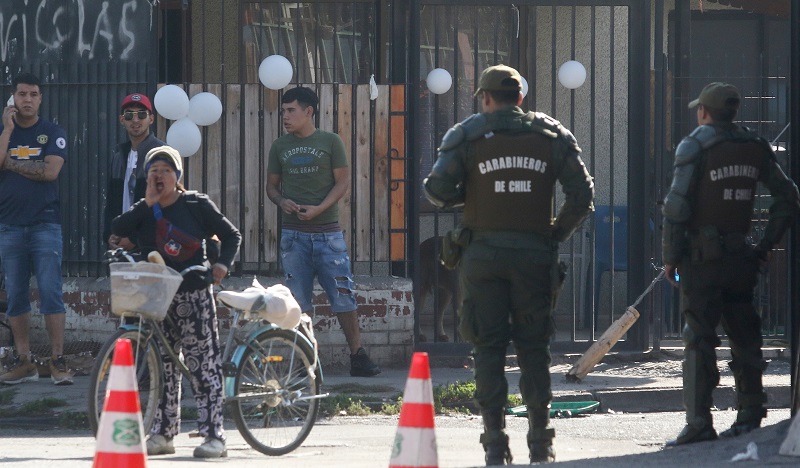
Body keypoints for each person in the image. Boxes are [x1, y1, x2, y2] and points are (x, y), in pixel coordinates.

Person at [423, 64, 594, 465]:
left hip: (483, 258)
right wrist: (555, 234)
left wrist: (475, 194)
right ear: (520, 97)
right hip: (535, 256)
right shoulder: (551, 135)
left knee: (488, 348)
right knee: (534, 348)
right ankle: (541, 443)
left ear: (485, 98)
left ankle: (496, 445)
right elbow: (582, 195)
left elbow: (436, 190)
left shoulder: (468, 134)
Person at [662, 82, 800, 446]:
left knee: (699, 339)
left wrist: (670, 257)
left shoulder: (696, 145)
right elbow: (788, 197)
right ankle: (750, 415)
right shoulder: (755, 146)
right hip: (741, 258)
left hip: (702, 262)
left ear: (704, 112)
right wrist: (766, 244)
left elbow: (676, 207)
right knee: (745, 336)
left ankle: (698, 423)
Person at [111, 145, 242, 458]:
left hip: (193, 293)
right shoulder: (144, 209)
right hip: (157, 299)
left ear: (177, 176)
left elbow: (231, 235)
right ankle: (163, 433)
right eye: (154, 171)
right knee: (163, 367)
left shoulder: (195, 204)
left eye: (166, 170)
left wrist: (221, 265)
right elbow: (117, 229)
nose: (159, 176)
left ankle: (214, 436)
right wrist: (147, 203)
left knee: (202, 364)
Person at [266, 86, 381, 378]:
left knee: (343, 296)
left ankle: (358, 356)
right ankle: (305, 361)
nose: (285, 116)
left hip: (328, 235)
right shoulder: (279, 146)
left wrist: (319, 208)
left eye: (291, 110)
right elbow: (271, 187)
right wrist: (282, 201)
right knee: (297, 302)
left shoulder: (331, 141)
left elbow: (343, 182)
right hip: (293, 236)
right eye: (283, 111)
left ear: (309, 111)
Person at [0, 72, 73, 386]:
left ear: (40, 98)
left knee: (50, 292)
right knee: (16, 295)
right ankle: (24, 361)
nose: (27, 99)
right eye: (22, 94)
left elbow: (50, 172)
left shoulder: (53, 132)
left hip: (45, 225)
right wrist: (7, 130)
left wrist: (10, 163)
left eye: (33, 94)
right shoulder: (4, 131)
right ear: (13, 98)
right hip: (9, 226)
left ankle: (58, 360)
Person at [105, 92, 165, 251]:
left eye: (141, 114)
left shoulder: (161, 153)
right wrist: (110, 234)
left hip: (153, 245)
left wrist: (134, 238)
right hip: (121, 243)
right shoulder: (119, 155)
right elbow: (112, 202)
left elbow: (165, 204)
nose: (136, 120)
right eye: (129, 115)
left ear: (151, 119)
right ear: (122, 119)